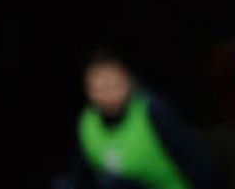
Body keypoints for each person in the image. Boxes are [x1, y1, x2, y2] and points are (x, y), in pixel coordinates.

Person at [67, 51, 218, 189]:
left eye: (113, 85)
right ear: (88, 90)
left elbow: (199, 164)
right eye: (99, 88)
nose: (107, 95)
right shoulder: (87, 121)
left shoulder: (153, 111)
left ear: (128, 83)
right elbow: (81, 175)